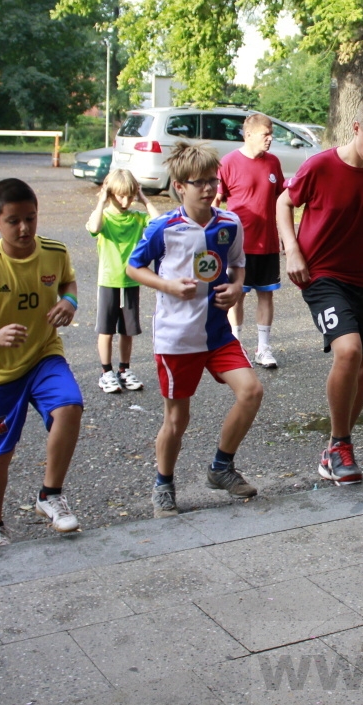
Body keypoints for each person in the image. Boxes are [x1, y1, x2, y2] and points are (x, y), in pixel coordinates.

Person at [276, 96, 363, 485]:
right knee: (348, 350)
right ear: (355, 128)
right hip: (319, 276)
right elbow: (284, 202)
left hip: (362, 279)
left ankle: (337, 448)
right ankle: (339, 444)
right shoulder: (320, 166)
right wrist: (292, 250)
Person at [127, 141, 263, 518]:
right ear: (179, 186)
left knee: (251, 391)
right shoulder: (163, 227)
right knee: (177, 419)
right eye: (198, 182)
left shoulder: (229, 223)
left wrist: (237, 288)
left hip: (217, 333)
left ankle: (221, 467)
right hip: (177, 338)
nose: (207, 188)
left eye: (212, 180)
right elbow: (133, 267)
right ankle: (163, 485)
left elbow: (238, 265)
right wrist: (167, 285)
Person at [0, 178, 84, 548]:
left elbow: (68, 283)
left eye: (31, 218)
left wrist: (69, 302)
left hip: (44, 356)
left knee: (70, 406)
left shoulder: (55, 251)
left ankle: (50, 495)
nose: (24, 228)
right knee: (0, 451)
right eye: (13, 221)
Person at [215, 112, 285, 369]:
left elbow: (282, 200)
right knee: (237, 296)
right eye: (266, 134)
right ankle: (235, 346)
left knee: (266, 295)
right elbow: (215, 202)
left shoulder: (273, 163)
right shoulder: (229, 162)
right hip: (238, 247)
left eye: (271, 134)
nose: (270, 139)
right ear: (248, 135)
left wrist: (285, 235)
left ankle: (263, 348)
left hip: (267, 243)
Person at [86, 169, 159, 394]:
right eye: (120, 196)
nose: (125, 201)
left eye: (130, 196)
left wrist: (144, 199)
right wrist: (101, 201)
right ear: (110, 193)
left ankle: (124, 369)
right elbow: (94, 228)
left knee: (127, 330)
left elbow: (159, 223)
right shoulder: (104, 217)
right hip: (108, 281)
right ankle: (106, 372)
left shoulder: (137, 217)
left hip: (131, 281)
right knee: (106, 330)